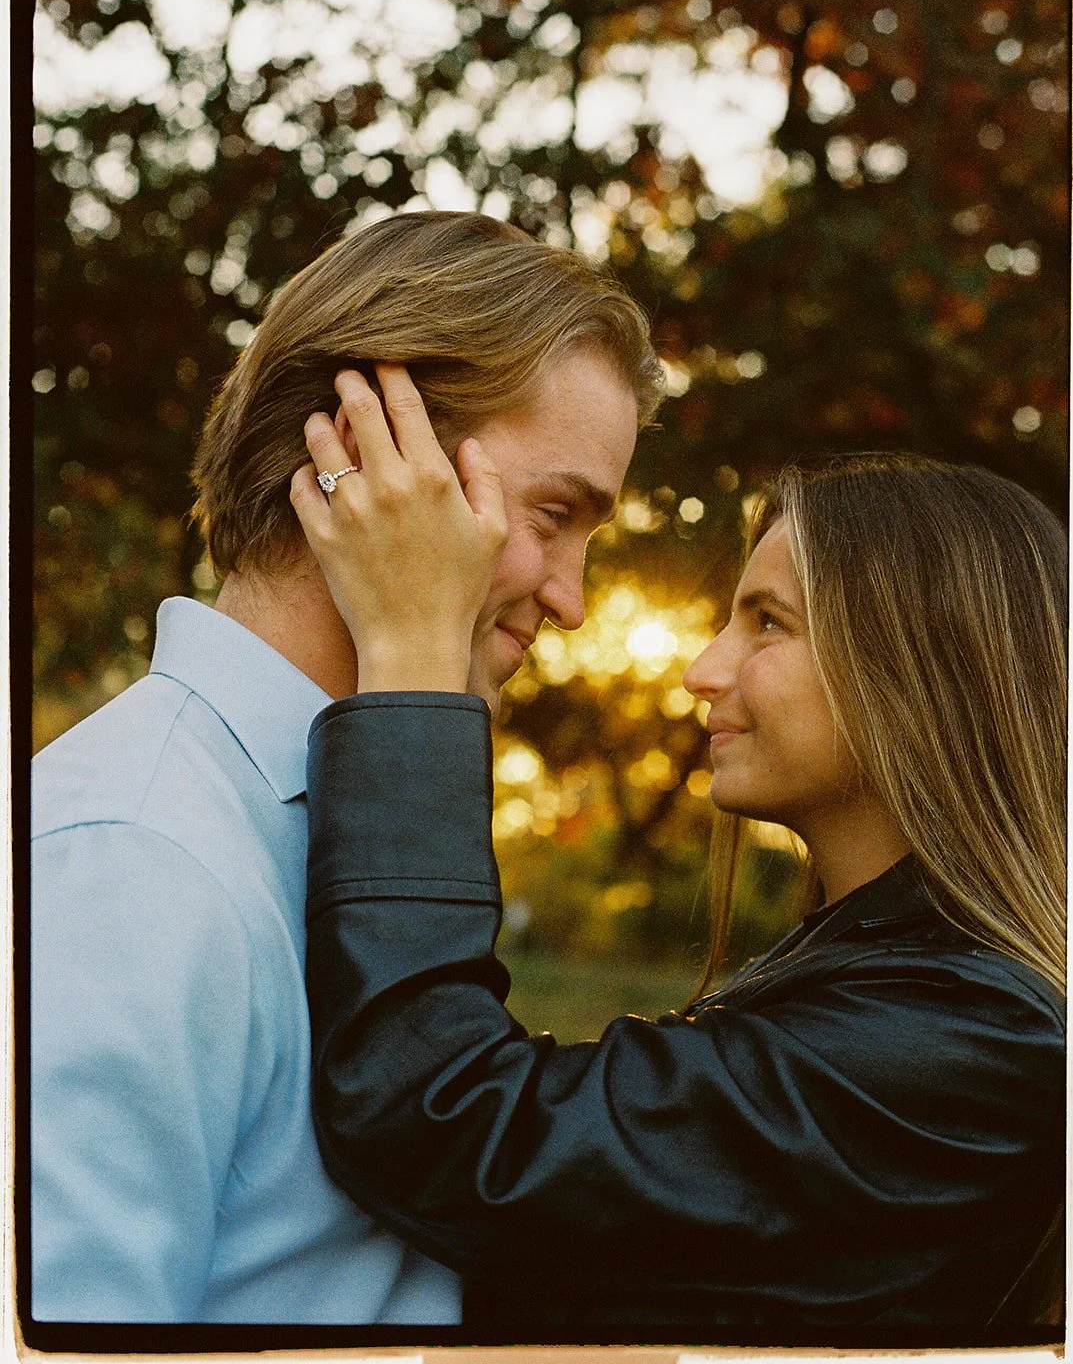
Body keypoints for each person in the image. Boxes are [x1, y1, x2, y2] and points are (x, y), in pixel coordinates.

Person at [294, 369, 1065, 1344]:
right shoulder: (887, 983)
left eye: (767, 622)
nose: (704, 670)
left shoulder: (968, 1038)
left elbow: (447, 1120)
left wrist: (409, 659)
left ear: (919, 667)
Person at [30, 210, 663, 1323]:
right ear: (369, 459)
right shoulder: (129, 862)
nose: (568, 597)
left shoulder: (347, 825)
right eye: (554, 514)